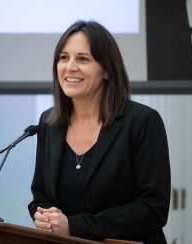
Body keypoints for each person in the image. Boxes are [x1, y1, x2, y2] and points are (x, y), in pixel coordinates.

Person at [28, 20, 171, 244]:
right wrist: (46, 217)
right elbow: (41, 196)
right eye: (63, 57)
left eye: (83, 59)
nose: (70, 67)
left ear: (106, 70)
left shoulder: (142, 121)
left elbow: (153, 209)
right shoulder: (49, 122)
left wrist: (73, 226)